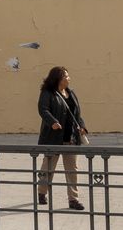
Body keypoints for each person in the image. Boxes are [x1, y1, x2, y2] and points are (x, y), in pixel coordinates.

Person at [36, 66, 88, 210]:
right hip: (53, 137)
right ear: (58, 79)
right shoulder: (48, 93)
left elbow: (77, 114)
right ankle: (41, 192)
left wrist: (82, 127)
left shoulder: (71, 93)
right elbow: (43, 109)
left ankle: (73, 200)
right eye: (66, 76)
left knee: (72, 170)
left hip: (71, 137)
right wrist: (52, 122)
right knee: (48, 168)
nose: (69, 78)